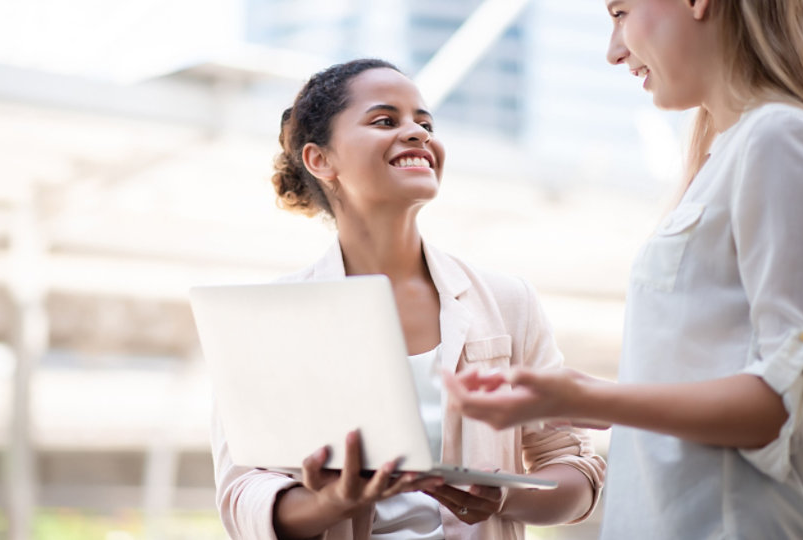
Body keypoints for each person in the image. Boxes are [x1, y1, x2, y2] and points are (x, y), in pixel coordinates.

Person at [444, 0, 803, 538]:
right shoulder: (725, 157)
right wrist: (588, 394)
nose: (614, 52)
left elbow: (793, 407)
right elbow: (718, 373)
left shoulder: (779, 138)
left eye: (619, 12)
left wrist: (584, 397)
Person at [210, 58, 606, 540]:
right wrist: (333, 502)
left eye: (425, 122)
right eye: (385, 121)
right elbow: (242, 497)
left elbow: (574, 471)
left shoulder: (507, 301)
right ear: (320, 160)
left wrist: (504, 497)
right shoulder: (268, 320)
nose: (417, 133)